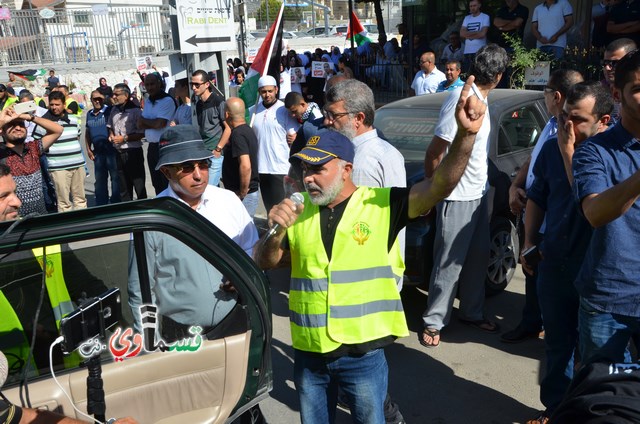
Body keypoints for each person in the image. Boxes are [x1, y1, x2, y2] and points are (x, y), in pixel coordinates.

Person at [254, 77, 489, 423]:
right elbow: (266, 260)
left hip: (361, 356)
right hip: (310, 352)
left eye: (319, 167)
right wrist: (274, 233)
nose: (309, 177)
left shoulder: (382, 203)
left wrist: (465, 136)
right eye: (306, 167)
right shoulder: (298, 206)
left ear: (347, 169)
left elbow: (439, 184)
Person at [522, 81, 613, 424]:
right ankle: (556, 408)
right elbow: (538, 197)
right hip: (555, 263)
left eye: (577, 119)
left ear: (603, 119)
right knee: (558, 345)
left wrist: (567, 152)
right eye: (563, 117)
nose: (567, 126)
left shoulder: (612, 153)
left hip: (597, 270)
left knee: (593, 354)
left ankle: (587, 413)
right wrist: (530, 242)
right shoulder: (551, 148)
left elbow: (589, 201)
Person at [323, 78, 407, 424]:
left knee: (362, 363)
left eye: (333, 115)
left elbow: (359, 227)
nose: (328, 121)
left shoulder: (358, 161)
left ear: (357, 118)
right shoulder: (387, 151)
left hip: (363, 277)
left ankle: (387, 416)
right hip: (384, 271)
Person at [128, 124, 257, 333]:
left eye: (203, 164)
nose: (198, 175)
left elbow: (251, 248)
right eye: (187, 167)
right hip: (181, 336)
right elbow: (140, 291)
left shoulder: (229, 201)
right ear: (166, 172)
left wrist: (241, 275)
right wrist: (148, 341)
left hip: (236, 322)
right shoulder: (151, 219)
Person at [420, 44, 509, 348]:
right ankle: (434, 322)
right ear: (499, 75)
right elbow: (434, 151)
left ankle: (471, 312)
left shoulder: (483, 100)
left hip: (478, 195)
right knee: (448, 264)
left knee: (476, 259)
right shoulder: (460, 101)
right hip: (456, 196)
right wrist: (434, 191)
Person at [503, 69, 584, 344]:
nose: (545, 97)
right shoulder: (551, 124)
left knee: (547, 278)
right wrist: (516, 184)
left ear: (556, 95)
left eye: (547, 92)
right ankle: (531, 322)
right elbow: (533, 160)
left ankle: (550, 329)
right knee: (530, 269)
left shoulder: (573, 132)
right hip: (534, 210)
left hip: (553, 221)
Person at [570, 49, 640, 366]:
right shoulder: (595, 151)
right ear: (616, 93)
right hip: (607, 299)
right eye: (638, 90)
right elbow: (595, 213)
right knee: (601, 400)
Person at [250, 75, 299, 213]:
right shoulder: (253, 111)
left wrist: (294, 138)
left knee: (284, 210)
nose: (267, 95)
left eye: (270, 91)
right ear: (259, 92)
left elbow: (293, 135)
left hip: (281, 168)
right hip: (262, 169)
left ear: (276, 90)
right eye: (263, 91)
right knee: (270, 210)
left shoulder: (284, 110)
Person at [0, 109, 62, 215]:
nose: (18, 128)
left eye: (21, 124)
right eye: (12, 125)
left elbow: (58, 130)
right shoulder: (1, 153)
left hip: (40, 216)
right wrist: (2, 121)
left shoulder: (33, 148)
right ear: (3, 131)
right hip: (14, 219)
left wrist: (30, 117)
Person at [38, 91, 86, 212]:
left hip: (77, 165)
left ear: (64, 105)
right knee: (64, 202)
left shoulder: (73, 119)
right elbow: (38, 144)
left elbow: (77, 136)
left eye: (57, 104)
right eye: (52, 104)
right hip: (58, 167)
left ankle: (84, 225)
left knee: (80, 199)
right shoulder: (44, 122)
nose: (54, 107)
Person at [137, 72, 175, 195]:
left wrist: (145, 122)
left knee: (167, 181)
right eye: (147, 84)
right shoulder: (148, 101)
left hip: (165, 146)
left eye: (152, 84)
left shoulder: (167, 100)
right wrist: (150, 122)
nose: (149, 87)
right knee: (156, 182)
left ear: (160, 83)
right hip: (152, 147)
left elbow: (160, 124)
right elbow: (139, 124)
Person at [107, 83, 146, 202]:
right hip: (118, 152)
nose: (113, 97)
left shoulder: (135, 111)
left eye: (116, 94)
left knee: (138, 185)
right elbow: (110, 126)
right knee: (123, 188)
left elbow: (142, 133)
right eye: (113, 94)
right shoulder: (114, 109)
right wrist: (111, 135)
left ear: (126, 95)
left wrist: (124, 139)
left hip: (133, 152)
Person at [221, 98, 260, 218]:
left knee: (242, 232)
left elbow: (245, 165)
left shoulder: (238, 134)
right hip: (245, 193)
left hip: (244, 194)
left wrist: (242, 192)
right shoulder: (247, 130)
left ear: (227, 114)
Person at [191, 69, 227, 187]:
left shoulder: (218, 101)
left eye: (197, 84)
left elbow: (228, 128)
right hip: (204, 153)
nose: (194, 88)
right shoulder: (198, 104)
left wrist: (218, 149)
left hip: (215, 152)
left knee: (209, 189)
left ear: (207, 84)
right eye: (192, 84)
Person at [85, 90, 119, 206]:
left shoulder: (109, 110)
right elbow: (87, 132)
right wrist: (88, 149)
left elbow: (114, 103)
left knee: (115, 178)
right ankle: (102, 204)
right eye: (95, 99)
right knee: (100, 180)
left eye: (99, 98)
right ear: (91, 100)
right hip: (98, 153)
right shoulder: (89, 114)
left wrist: (107, 99)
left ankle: (116, 202)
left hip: (111, 152)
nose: (97, 101)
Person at [601, 37, 636, 123]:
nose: (607, 68)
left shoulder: (636, 95)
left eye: (615, 63)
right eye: (605, 63)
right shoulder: (598, 91)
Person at [460, 0, 490, 71]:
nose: (472, 8)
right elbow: (461, 34)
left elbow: (482, 34)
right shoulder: (467, 18)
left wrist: (467, 34)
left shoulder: (485, 17)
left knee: (480, 72)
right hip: (467, 51)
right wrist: (477, 32)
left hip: (480, 51)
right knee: (468, 73)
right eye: (471, 6)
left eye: (474, 5)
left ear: (479, 5)